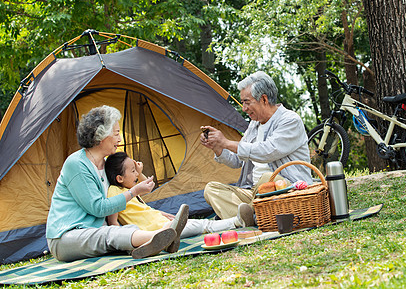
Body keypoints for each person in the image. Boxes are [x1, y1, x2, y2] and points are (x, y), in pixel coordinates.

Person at [46, 105, 185, 262]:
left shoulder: (106, 165)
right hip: (66, 237)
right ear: (101, 135)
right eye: (116, 133)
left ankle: (156, 243)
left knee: (119, 231)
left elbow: (119, 201)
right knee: (108, 234)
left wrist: (154, 212)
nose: (119, 139)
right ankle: (159, 235)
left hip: (96, 232)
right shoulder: (76, 164)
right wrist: (133, 192)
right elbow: (98, 208)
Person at [200, 71, 312, 220]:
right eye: (243, 103)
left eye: (247, 102)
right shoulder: (254, 125)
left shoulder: (290, 120)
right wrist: (218, 147)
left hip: (286, 187)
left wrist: (226, 142)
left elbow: (266, 151)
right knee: (211, 189)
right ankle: (250, 217)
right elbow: (237, 161)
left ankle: (241, 217)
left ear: (264, 99)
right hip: (253, 192)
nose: (244, 108)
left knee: (267, 178)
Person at [105, 152, 255, 243]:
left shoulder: (129, 190)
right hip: (156, 231)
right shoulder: (115, 192)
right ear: (119, 178)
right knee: (200, 226)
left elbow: (147, 188)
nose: (136, 174)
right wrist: (127, 243)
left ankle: (239, 220)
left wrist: (138, 170)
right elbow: (113, 224)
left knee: (196, 224)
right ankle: (237, 221)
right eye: (132, 171)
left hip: (163, 224)